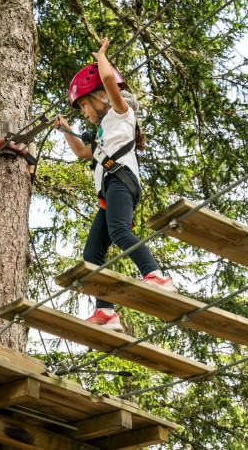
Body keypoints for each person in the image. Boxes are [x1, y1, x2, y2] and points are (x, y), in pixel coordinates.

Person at [54, 37, 175, 332]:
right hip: (109, 191)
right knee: (92, 253)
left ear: (101, 96)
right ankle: (106, 312)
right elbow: (82, 152)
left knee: (120, 231)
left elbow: (108, 78)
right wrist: (67, 130)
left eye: (84, 104)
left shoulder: (121, 114)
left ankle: (156, 276)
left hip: (122, 181)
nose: (83, 112)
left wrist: (102, 57)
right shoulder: (101, 134)